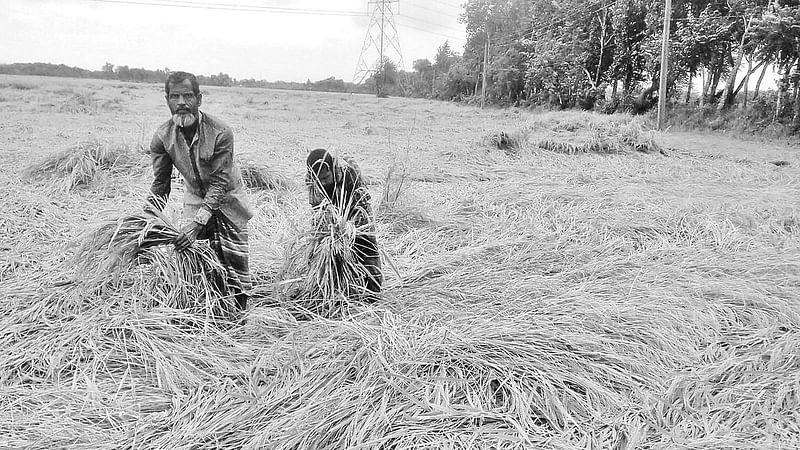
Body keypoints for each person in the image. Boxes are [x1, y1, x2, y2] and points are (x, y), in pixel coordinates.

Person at [146, 71, 254, 312]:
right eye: (175, 96)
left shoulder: (220, 132)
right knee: (192, 257)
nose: (181, 103)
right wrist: (146, 217)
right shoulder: (162, 137)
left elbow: (220, 182)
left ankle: (239, 315)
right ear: (167, 100)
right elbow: (161, 184)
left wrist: (197, 225)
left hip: (228, 200)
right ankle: (204, 311)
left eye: (187, 96)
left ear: (199, 99)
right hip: (195, 198)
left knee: (235, 261)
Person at [305, 148, 383, 297]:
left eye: (326, 177)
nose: (323, 182)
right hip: (331, 213)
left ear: (332, 169)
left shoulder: (349, 173)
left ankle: (373, 292)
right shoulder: (311, 180)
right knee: (323, 250)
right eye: (319, 179)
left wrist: (347, 229)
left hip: (356, 209)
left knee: (366, 247)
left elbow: (360, 205)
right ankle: (332, 290)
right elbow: (317, 209)